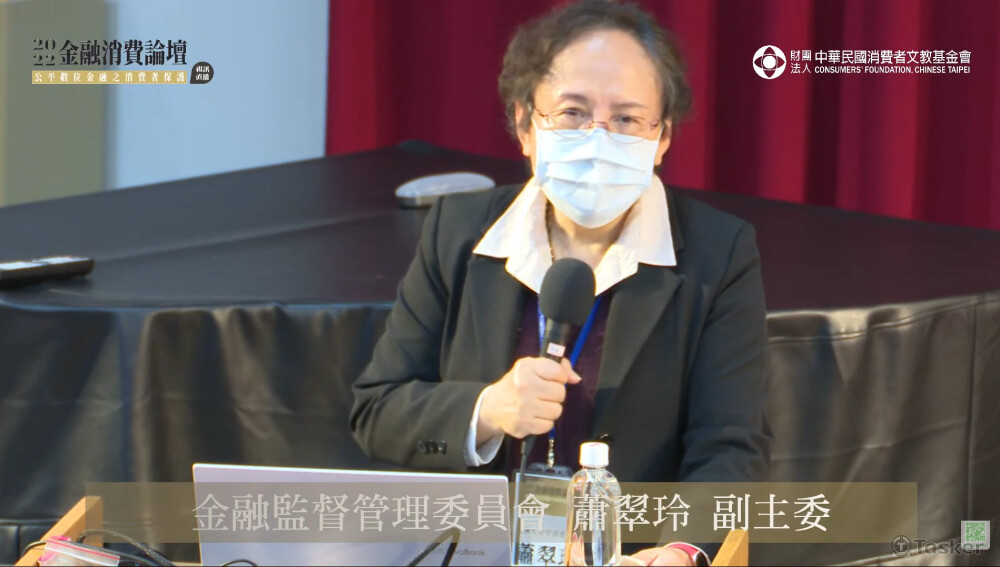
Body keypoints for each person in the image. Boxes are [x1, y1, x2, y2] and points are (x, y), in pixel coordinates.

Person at [351, 0, 770, 564]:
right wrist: (488, 409)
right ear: (526, 124)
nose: (598, 140)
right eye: (573, 112)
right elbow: (377, 411)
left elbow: (731, 446)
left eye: (626, 119)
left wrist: (679, 551)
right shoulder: (458, 231)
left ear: (663, 138)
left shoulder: (718, 253)